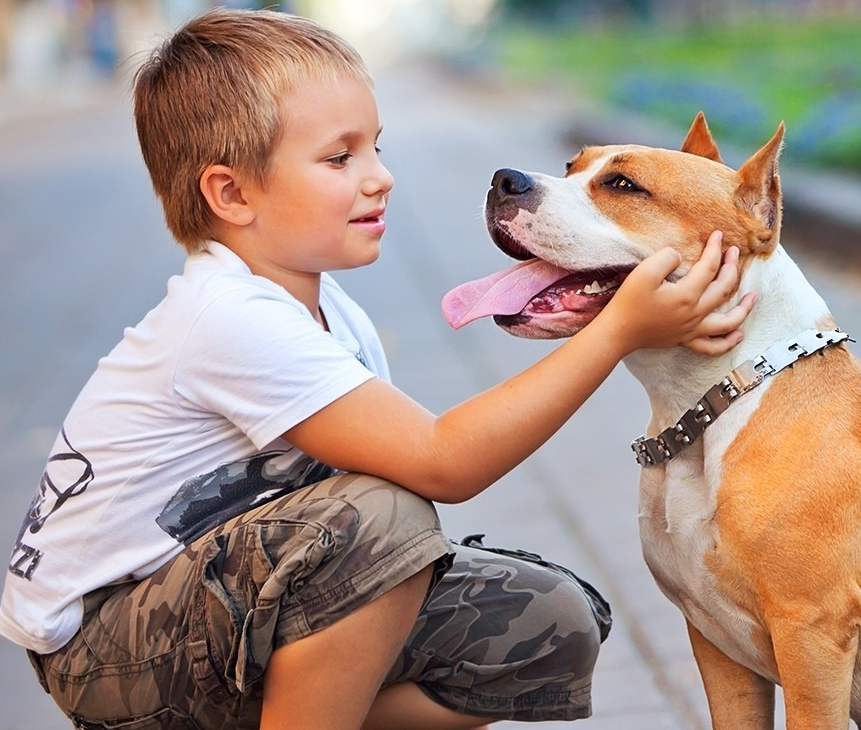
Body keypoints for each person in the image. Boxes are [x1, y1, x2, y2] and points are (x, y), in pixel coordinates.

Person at [0, 8, 756, 730]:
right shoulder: (227, 317)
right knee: (383, 522)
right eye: (339, 158)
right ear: (230, 193)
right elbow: (442, 463)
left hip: (221, 615)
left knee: (546, 626)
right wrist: (618, 330)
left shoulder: (329, 310)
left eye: (377, 148)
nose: (379, 177)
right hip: (103, 649)